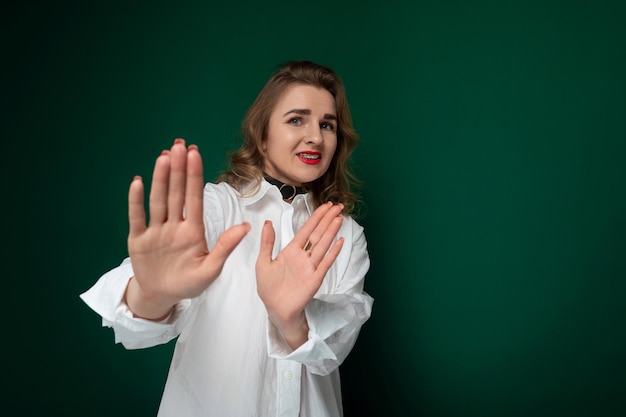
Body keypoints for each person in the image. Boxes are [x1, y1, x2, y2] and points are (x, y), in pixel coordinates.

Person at [80, 60, 373, 417]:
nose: (315, 136)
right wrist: (152, 294)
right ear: (262, 136)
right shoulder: (217, 206)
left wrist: (292, 321)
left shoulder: (346, 235)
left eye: (327, 124)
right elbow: (135, 323)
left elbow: (331, 354)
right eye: (297, 119)